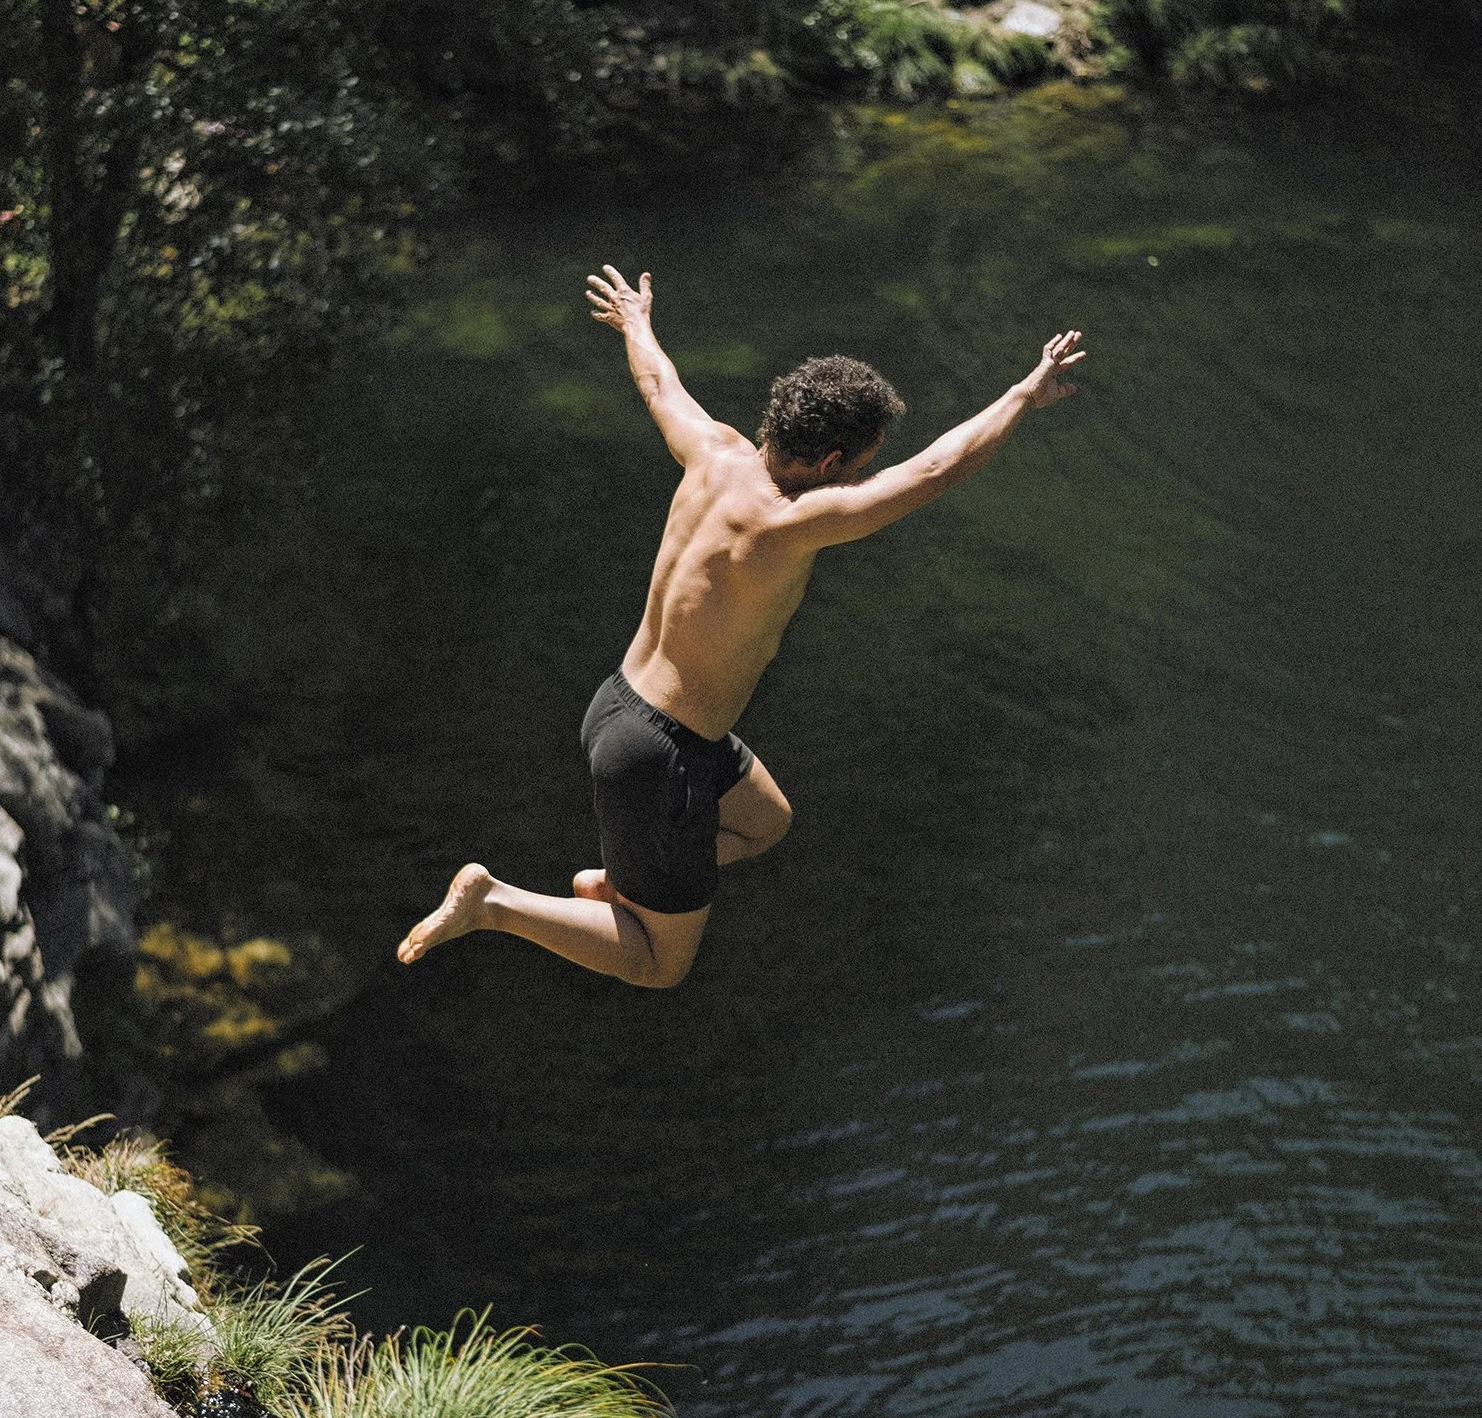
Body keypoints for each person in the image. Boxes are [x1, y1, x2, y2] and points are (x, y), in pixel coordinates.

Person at [397, 267, 1085, 990]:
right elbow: (937, 469)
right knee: (659, 964)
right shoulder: (789, 521)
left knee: (765, 820)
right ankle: (496, 903)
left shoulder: (713, 451)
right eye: (861, 464)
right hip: (662, 754)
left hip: (620, 704)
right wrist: (1021, 394)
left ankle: (627, 876)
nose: (862, 477)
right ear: (829, 462)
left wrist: (637, 322)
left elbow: (660, 386)